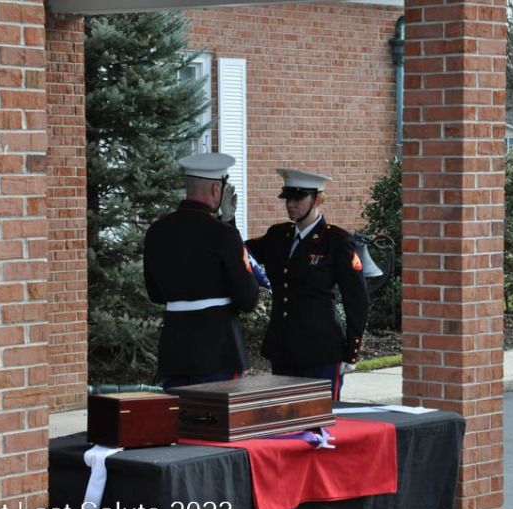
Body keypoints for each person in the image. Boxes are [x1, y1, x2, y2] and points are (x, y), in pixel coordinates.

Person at [245, 168, 370, 400]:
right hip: (283, 348)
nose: (290, 204)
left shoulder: (336, 242)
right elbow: (240, 252)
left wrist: (352, 351)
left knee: (319, 417)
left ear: (318, 200)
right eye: (287, 198)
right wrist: (227, 219)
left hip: (321, 350)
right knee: (283, 415)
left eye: (298, 198)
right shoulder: (277, 235)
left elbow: (358, 300)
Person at [143, 153, 260, 390]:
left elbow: (155, 294)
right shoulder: (223, 233)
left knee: (178, 413)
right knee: (217, 414)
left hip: (174, 350)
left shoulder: (157, 231)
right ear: (217, 188)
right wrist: (230, 224)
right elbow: (248, 299)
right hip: (218, 351)